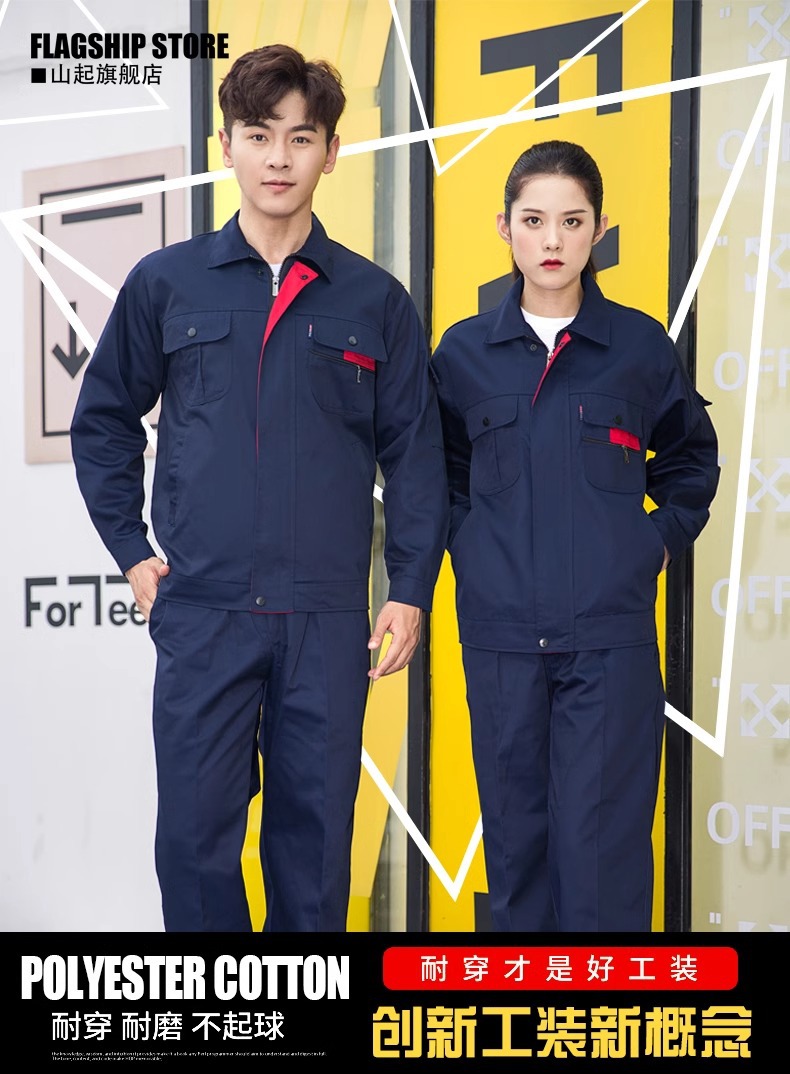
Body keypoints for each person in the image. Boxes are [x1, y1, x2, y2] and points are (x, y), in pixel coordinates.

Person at [70, 44, 448, 932]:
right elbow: (104, 419)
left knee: (313, 857)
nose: (279, 158)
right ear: (226, 146)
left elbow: (416, 454)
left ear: (332, 152)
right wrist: (131, 552)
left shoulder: (374, 301)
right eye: (258, 135)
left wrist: (409, 588)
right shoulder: (166, 284)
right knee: (194, 847)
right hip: (203, 611)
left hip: (324, 617)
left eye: (301, 138)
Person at [430, 140, 719, 932]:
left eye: (571, 221)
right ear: (505, 228)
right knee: (515, 861)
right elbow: (439, 473)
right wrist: (473, 550)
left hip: (609, 642)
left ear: (599, 230)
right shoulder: (463, 354)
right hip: (502, 642)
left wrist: (652, 544)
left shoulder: (638, 348)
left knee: (605, 866)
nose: (552, 241)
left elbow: (691, 459)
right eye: (533, 221)